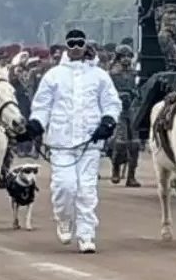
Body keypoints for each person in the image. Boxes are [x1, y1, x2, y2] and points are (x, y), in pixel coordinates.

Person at [25, 29, 121, 253]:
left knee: (86, 190)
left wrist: (108, 121)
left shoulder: (99, 75)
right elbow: (42, 106)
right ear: (66, 47)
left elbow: (111, 103)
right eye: (72, 43)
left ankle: (86, 234)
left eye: (80, 43)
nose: (76, 47)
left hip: (90, 142)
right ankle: (64, 219)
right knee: (65, 187)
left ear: (85, 45)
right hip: (61, 142)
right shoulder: (53, 75)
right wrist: (36, 124)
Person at [108, 45, 141, 187]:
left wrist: (135, 93)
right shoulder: (112, 74)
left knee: (135, 144)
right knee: (120, 142)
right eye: (123, 56)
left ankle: (131, 176)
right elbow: (108, 92)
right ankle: (115, 168)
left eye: (129, 56)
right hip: (118, 109)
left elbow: (137, 89)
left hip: (132, 109)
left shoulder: (134, 73)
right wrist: (120, 95)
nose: (126, 59)